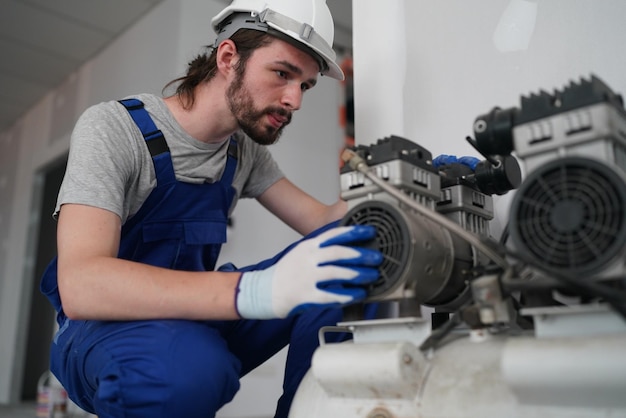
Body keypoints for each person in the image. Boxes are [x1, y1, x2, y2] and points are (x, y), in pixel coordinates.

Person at [39, 1, 383, 417]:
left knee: (348, 261)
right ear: (227, 57)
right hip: (102, 331)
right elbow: (82, 284)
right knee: (185, 372)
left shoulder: (244, 152)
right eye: (282, 74)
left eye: (305, 85)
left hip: (191, 317)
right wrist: (256, 291)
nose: (294, 100)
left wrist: (394, 180)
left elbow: (327, 225)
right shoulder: (115, 129)